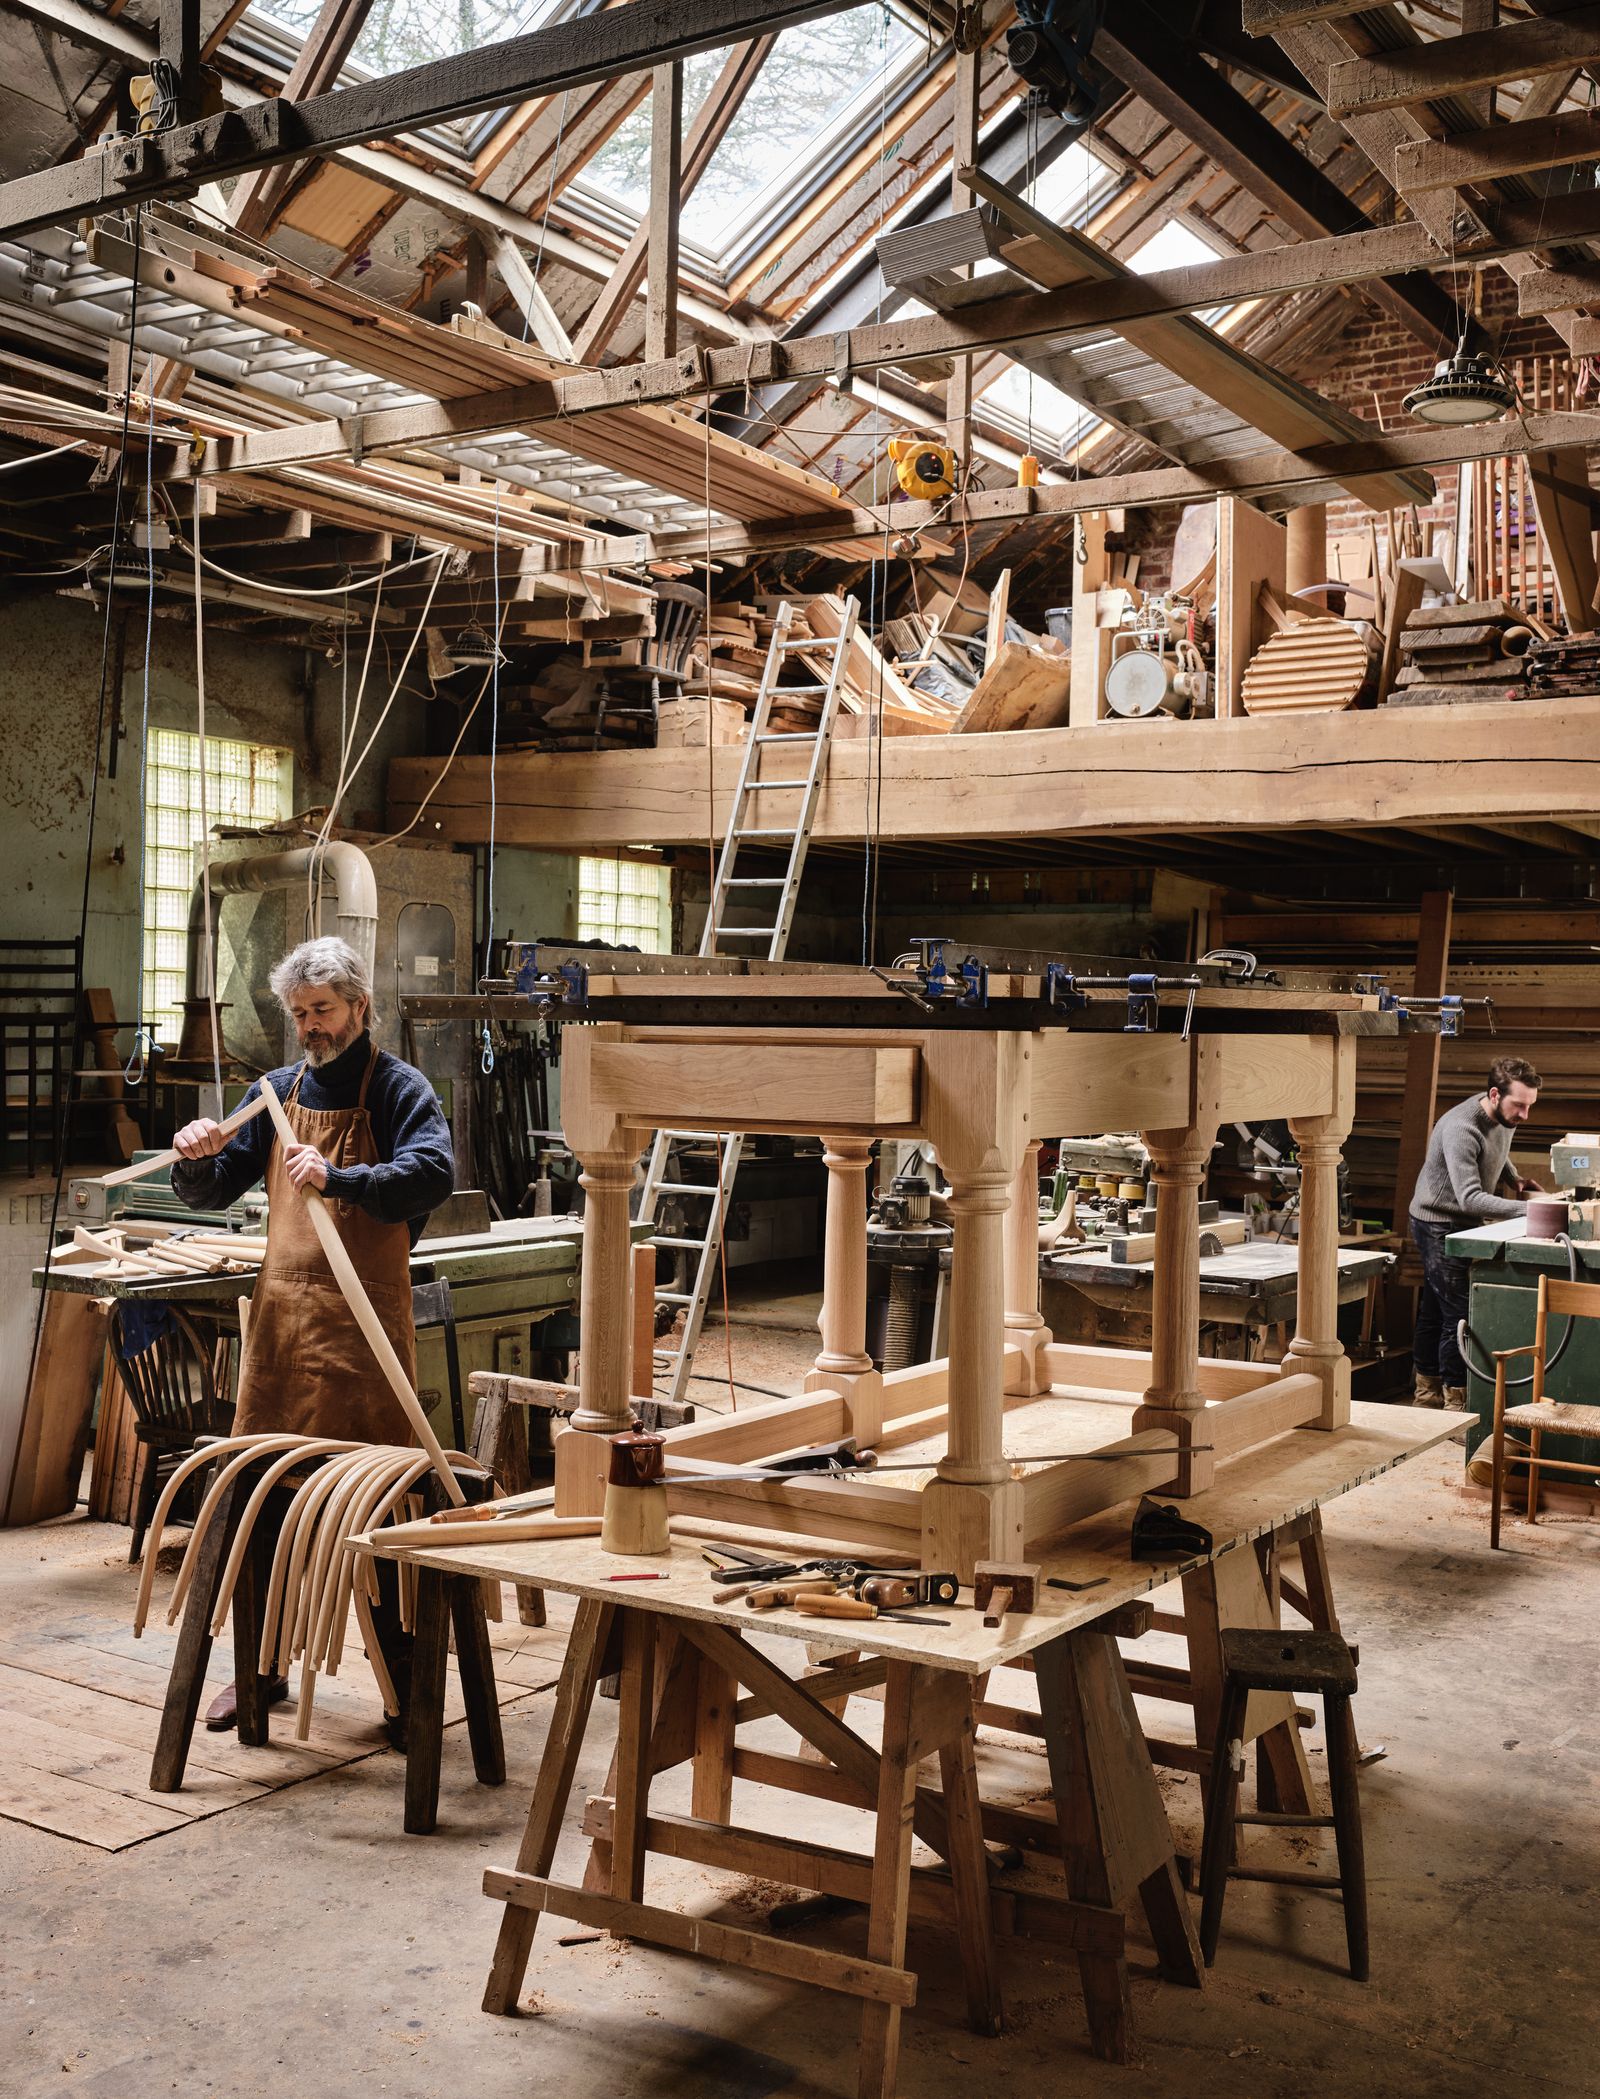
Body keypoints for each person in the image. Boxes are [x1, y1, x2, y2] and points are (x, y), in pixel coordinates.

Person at [170, 935, 454, 1728]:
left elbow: (435, 1172)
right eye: (299, 1014)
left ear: (361, 1006)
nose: (310, 1028)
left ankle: (403, 1687)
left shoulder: (400, 1089)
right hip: (280, 1340)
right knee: (262, 1504)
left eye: (322, 1011)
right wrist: (193, 1155)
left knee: (376, 1509)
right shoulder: (274, 1091)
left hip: (363, 1342)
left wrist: (346, 1178)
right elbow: (213, 1188)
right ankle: (260, 1670)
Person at [1408, 1055, 1543, 1409]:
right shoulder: (1460, 1128)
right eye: (1519, 1106)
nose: (1524, 1116)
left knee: (1436, 1310)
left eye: (1530, 1106)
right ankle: (1454, 1404)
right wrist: (1535, 1210)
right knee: (1459, 1314)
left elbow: (1496, 1146)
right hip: (1438, 1222)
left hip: (1460, 1221)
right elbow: (1469, 1198)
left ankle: (1426, 1396)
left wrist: (1513, 1177)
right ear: (1495, 1094)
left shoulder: (1503, 1114)